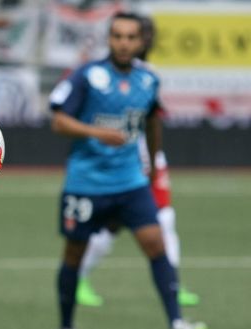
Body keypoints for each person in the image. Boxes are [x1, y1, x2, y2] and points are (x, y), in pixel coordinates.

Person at [48, 12, 207, 329]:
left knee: (157, 244)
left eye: (130, 37)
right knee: (75, 254)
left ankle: (177, 324)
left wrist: (151, 167)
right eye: (117, 36)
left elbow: (152, 124)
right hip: (86, 183)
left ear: (142, 41)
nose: (123, 42)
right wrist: (97, 132)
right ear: (110, 39)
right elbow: (59, 121)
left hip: (130, 181)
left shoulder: (148, 80)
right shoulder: (88, 76)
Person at [76, 15, 200, 308]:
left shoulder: (147, 74)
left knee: (164, 217)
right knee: (110, 225)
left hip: (147, 157)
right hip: (124, 158)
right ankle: (79, 276)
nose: (135, 41)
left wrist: (155, 160)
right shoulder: (105, 73)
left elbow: (154, 120)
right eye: (133, 35)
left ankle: (172, 283)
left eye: (142, 35)